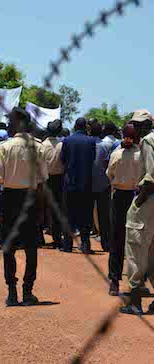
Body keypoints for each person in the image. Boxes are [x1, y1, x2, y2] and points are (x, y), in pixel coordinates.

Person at [0, 107, 49, 306]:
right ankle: (28, 291)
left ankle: (11, 291)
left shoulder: (5, 147)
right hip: (31, 199)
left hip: (10, 199)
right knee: (31, 248)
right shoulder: (38, 147)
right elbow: (43, 178)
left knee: (9, 248)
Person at [119, 110, 154, 315]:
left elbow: (151, 178)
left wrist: (137, 204)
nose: (136, 128)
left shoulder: (149, 141)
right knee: (151, 253)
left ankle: (134, 301)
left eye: (139, 125)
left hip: (148, 201)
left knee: (135, 249)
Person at [106, 124, 141, 296]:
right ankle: (129, 282)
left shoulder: (117, 154)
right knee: (131, 240)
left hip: (123, 196)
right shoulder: (141, 155)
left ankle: (115, 281)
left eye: (128, 136)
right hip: (134, 197)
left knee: (118, 239)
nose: (126, 139)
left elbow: (109, 174)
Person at [61, 118, 96, 254]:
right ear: (85, 127)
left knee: (68, 214)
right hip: (86, 183)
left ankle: (67, 245)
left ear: (75, 126)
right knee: (86, 215)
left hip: (70, 182)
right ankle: (85, 244)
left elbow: (62, 159)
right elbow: (92, 159)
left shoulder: (67, 140)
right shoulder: (91, 141)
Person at [42, 120, 65, 249]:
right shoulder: (62, 145)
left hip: (44, 179)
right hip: (59, 180)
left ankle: (39, 237)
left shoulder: (42, 145)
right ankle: (57, 238)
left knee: (41, 209)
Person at [90, 121, 111, 252]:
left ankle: (86, 242)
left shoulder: (87, 145)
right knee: (103, 215)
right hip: (103, 184)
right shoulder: (104, 146)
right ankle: (105, 243)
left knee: (87, 213)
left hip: (88, 184)